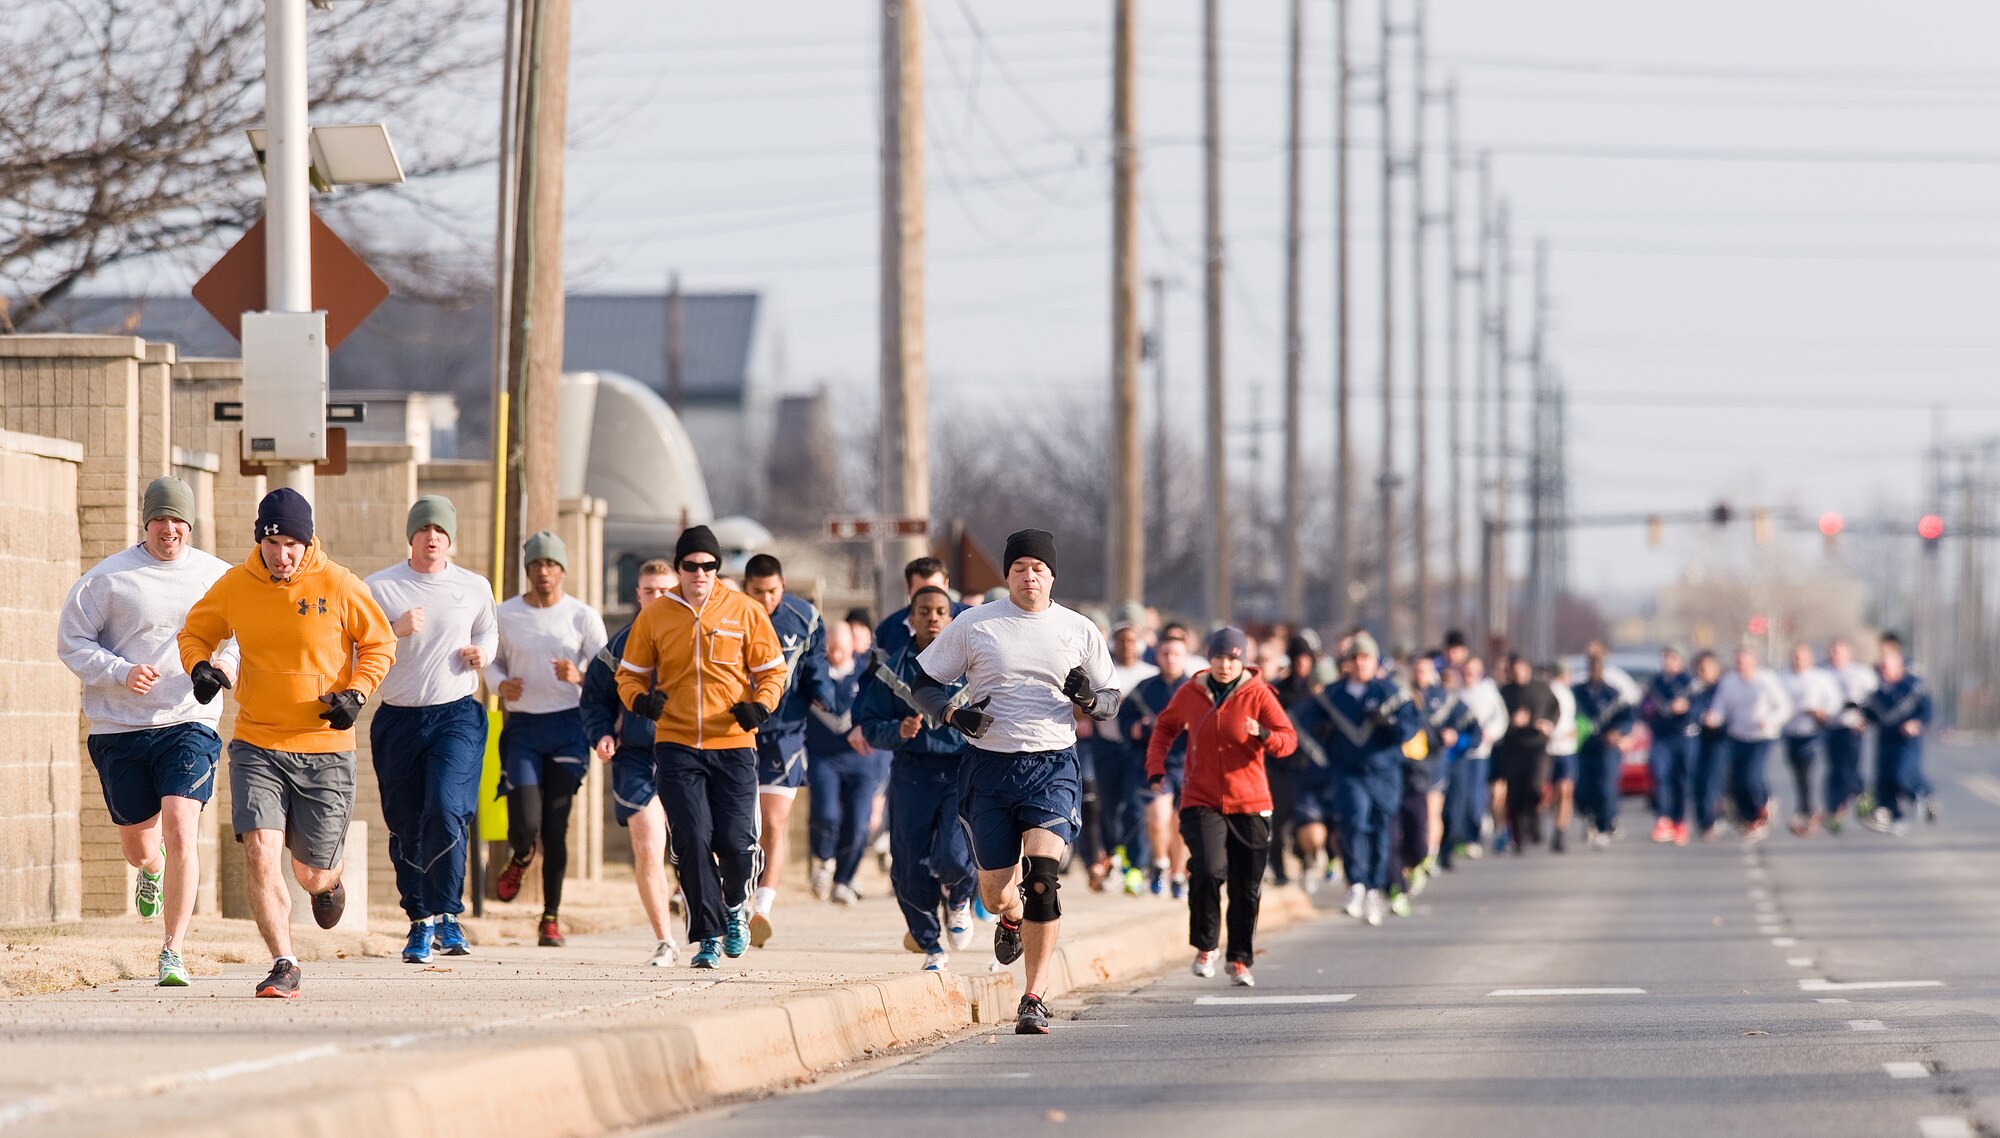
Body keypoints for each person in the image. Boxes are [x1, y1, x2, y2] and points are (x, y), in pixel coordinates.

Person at [177, 488, 395, 998]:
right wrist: (200, 668)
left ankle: (329, 883)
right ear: (261, 540)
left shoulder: (338, 583)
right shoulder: (236, 584)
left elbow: (380, 642)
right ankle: (284, 962)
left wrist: (357, 694)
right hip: (257, 743)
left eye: (294, 543)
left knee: (310, 872)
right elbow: (194, 633)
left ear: (308, 540)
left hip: (324, 746)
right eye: (275, 543)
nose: (283, 554)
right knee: (259, 848)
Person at [907, 528, 1120, 1035]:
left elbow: (1111, 701)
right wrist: (955, 716)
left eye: (1038, 568)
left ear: (1052, 575)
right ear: (1007, 575)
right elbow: (926, 685)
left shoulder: (1078, 629)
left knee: (1044, 875)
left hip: (1052, 764)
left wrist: (1089, 699)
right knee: (999, 891)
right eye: (1020, 568)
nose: (1029, 576)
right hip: (990, 768)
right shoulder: (975, 624)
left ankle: (1033, 996)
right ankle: (1010, 917)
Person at [58, 477, 235, 987]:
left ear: (190, 524)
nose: (170, 529)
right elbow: (71, 641)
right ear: (146, 522)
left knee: (182, 824)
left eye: (179, 520)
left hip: (189, 719)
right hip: (120, 726)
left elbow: (247, 630)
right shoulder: (109, 579)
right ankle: (151, 871)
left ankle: (172, 950)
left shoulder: (218, 577)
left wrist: (225, 662)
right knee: (139, 847)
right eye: (161, 519)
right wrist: (119, 671)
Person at [617, 525, 787, 968]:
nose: (700, 573)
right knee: (691, 839)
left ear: (717, 568)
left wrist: (760, 707)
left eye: (709, 566)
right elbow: (629, 674)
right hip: (676, 744)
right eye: (691, 565)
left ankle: (735, 908)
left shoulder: (745, 611)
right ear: (678, 569)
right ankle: (707, 935)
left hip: (732, 743)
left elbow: (773, 671)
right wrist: (640, 700)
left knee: (733, 842)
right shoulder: (656, 616)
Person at [363, 496, 498, 964]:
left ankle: (449, 915)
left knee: (445, 809)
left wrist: (483, 654)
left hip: (456, 714)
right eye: (424, 529)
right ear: (412, 536)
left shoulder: (473, 586)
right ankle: (419, 923)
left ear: (450, 538)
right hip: (399, 719)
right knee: (406, 824)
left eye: (440, 530)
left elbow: (488, 632)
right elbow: (355, 644)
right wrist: (394, 629)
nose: (432, 537)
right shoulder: (380, 587)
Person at [1146, 628, 1296, 986]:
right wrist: (1155, 766)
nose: (1225, 665)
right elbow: (1165, 727)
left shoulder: (1258, 693)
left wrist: (1263, 734)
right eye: (1219, 658)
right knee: (1209, 870)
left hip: (1251, 800)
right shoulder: (1191, 692)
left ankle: (1240, 959)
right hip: (1202, 798)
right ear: (1209, 659)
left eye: (1232, 658)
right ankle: (1205, 945)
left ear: (1242, 659)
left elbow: (1288, 740)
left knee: (1246, 884)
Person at [486, 531, 608, 946]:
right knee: (525, 824)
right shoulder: (506, 614)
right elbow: (489, 660)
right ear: (527, 570)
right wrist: (501, 685)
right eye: (537, 565)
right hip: (522, 728)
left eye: (552, 565)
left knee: (555, 828)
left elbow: (607, 671)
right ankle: (521, 856)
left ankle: (550, 918)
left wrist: (580, 676)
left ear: (563, 571)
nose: (544, 572)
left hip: (568, 727)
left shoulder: (582, 616)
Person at [853, 586, 977, 970]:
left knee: (955, 857)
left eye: (941, 611)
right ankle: (931, 946)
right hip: (911, 772)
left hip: (961, 769)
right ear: (913, 617)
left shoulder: (973, 662)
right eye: (925, 611)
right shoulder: (895, 668)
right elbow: (870, 725)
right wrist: (898, 731)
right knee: (909, 867)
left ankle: (959, 899)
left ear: (952, 616)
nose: (933, 618)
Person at [581, 558, 681, 966]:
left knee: (699, 846)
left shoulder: (696, 639)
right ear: (637, 595)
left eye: (665, 590)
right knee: (647, 845)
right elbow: (594, 699)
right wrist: (602, 733)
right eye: (650, 591)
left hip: (688, 753)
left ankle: (701, 906)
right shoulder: (619, 647)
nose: (657, 597)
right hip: (637, 757)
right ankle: (665, 940)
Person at [1289, 633, 1420, 926]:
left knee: (1381, 829)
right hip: (1349, 772)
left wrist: (1390, 724)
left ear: (1375, 662)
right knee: (1354, 820)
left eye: (1366, 658)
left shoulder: (1390, 692)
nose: (1361, 663)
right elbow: (1298, 720)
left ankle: (1375, 888)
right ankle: (1356, 883)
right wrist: (1318, 742)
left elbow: (1411, 726)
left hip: (1385, 772)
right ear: (1346, 664)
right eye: (1355, 658)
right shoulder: (1333, 695)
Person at [740, 554, 836, 948]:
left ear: (783, 586)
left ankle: (763, 906)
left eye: (773, 591)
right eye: (757, 592)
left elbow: (816, 663)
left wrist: (823, 693)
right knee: (744, 825)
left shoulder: (805, 616)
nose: (766, 600)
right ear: (746, 587)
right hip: (737, 730)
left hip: (786, 732)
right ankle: (738, 899)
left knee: (774, 825)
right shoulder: (730, 615)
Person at [805, 620, 879, 904]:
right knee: (826, 814)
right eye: (830, 649)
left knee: (859, 824)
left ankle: (844, 879)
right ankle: (824, 858)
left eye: (841, 649)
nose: (836, 654)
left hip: (861, 760)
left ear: (852, 647)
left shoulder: (865, 674)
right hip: (824, 757)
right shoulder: (815, 673)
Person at [1121, 626, 1196, 898]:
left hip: (1188, 764)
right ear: (1158, 655)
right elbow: (1125, 719)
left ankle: (1178, 875)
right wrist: (1136, 730)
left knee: (1181, 824)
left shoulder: (1196, 690)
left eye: (1176, 653)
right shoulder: (1145, 688)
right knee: (1157, 819)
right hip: (1156, 763)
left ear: (1185, 656)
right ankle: (1160, 863)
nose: (1170, 658)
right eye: (1165, 653)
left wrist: (1193, 727)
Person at [1095, 621, 1158, 894]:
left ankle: (1136, 865)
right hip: (1106, 745)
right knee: (1108, 805)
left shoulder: (1150, 675)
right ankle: (1113, 859)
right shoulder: (1101, 671)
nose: (1127, 646)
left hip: (1138, 750)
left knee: (1134, 807)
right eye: (1121, 641)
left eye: (1132, 641)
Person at [1711, 647, 1793, 842]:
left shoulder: (1765, 681)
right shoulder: (1729, 682)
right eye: (1739, 664)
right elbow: (1720, 706)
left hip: (1761, 736)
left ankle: (1763, 806)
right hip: (1738, 735)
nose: (1743, 668)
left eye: (1747, 664)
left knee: (1752, 776)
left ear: (1754, 664)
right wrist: (1714, 717)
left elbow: (1784, 707)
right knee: (1738, 781)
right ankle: (1749, 818)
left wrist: (1770, 720)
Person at [1860, 634, 1933, 835]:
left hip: (1906, 741)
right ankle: (1895, 817)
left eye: (1888, 665)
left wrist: (1917, 723)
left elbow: (1926, 710)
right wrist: (1861, 719)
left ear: (1899, 665)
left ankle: (1923, 796)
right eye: (1882, 666)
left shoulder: (1912, 686)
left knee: (1902, 774)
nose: (1884, 670)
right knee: (1884, 780)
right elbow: (1871, 713)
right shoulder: (1877, 691)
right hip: (1885, 739)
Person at [1266, 633, 1322, 889]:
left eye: (1306, 658)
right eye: (1298, 658)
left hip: (1309, 767)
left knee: (1309, 819)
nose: (1302, 664)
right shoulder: (1278, 690)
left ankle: (1308, 862)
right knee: (1278, 819)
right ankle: (1278, 868)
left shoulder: (1317, 691)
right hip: (1280, 765)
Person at [1441, 655, 1504, 868]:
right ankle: (1456, 838)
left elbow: (1500, 718)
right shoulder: (1454, 693)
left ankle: (1473, 836)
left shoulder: (1488, 692)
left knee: (1475, 798)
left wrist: (1490, 733)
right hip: (1455, 755)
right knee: (1457, 801)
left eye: (1472, 672)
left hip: (1479, 753)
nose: (1468, 676)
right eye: (1465, 672)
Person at [1493, 655, 1558, 855]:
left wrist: (1549, 723)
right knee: (1515, 796)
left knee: (1535, 787)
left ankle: (1534, 821)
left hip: (1537, 746)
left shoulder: (1541, 688)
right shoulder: (1504, 693)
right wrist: (1512, 723)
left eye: (1522, 668)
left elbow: (1555, 708)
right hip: (1513, 748)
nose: (1519, 672)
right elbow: (1496, 720)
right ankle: (1518, 837)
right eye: (1515, 669)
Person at [1572, 650, 1635, 850]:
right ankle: (1589, 816)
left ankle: (1604, 826)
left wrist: (1618, 732)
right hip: (1584, 747)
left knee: (1606, 787)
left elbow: (1627, 718)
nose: (1594, 670)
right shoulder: (1577, 692)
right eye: (1591, 666)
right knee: (1582, 790)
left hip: (1607, 748)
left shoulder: (1613, 693)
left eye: (1598, 666)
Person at [1778, 642, 1842, 837]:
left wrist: (1823, 712)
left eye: (1801, 657)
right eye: (1795, 657)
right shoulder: (1783, 678)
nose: (1798, 661)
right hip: (1791, 731)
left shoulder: (1820, 678)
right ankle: (1806, 810)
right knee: (1797, 771)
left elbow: (1834, 701)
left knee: (1806, 772)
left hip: (1812, 731)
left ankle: (1805, 811)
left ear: (1810, 658)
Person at [1640, 647, 1698, 845]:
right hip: (1661, 736)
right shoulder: (1656, 682)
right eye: (1665, 659)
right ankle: (1663, 819)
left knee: (1682, 780)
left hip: (1684, 736)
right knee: (1659, 774)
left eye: (1672, 659)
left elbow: (1700, 706)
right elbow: (1644, 706)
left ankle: (1679, 822)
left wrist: (1687, 709)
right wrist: (1649, 710)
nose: (1667, 663)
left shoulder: (1690, 682)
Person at [1822, 637, 1877, 833]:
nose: (1834, 655)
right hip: (1829, 728)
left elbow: (1875, 700)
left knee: (1849, 767)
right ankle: (1836, 809)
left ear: (1848, 653)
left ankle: (1860, 795)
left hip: (1853, 728)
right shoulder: (1822, 673)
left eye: (1838, 651)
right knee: (1836, 769)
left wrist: (1866, 719)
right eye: (1832, 651)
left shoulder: (1861, 673)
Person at [1687, 651, 1730, 840]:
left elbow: (1732, 713)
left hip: (1719, 741)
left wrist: (1718, 720)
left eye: (1705, 668)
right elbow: (1691, 711)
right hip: (1698, 740)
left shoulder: (1724, 689)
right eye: (1699, 668)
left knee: (1712, 781)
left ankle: (1712, 820)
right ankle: (1703, 821)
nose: (1701, 672)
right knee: (1697, 782)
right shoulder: (1694, 690)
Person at [1544, 660, 1581, 853]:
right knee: (1560, 792)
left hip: (1567, 748)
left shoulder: (1568, 693)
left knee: (1565, 790)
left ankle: (1559, 831)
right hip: (1552, 747)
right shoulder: (1551, 691)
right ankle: (1556, 827)